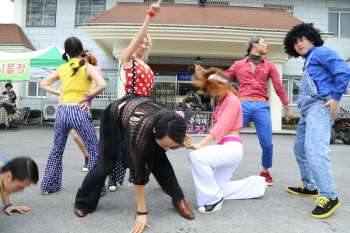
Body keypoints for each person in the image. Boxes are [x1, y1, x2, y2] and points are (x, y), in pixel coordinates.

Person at [74, 96, 195, 233]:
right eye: (166, 145)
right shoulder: (138, 130)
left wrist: (178, 145)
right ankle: (83, 202)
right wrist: (142, 213)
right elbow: (138, 173)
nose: (168, 149)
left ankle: (178, 199)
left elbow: (169, 145)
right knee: (105, 165)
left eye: (170, 146)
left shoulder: (173, 124)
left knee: (160, 157)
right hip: (114, 118)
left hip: (143, 115)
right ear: (154, 131)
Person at [195, 35, 293, 185]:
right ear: (254, 44)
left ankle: (265, 172)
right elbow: (224, 77)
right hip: (243, 104)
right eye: (264, 42)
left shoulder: (270, 66)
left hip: (261, 105)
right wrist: (205, 72)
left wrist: (286, 107)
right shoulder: (239, 64)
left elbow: (278, 87)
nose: (266, 45)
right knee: (225, 132)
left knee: (267, 143)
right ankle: (217, 165)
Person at [283, 23, 350, 219]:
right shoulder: (307, 61)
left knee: (315, 149)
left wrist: (336, 98)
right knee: (300, 149)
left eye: (301, 39)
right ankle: (310, 186)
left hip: (320, 107)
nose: (299, 44)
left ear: (311, 39)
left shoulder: (320, 52)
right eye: (295, 43)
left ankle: (329, 196)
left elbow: (344, 71)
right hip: (307, 112)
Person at [187, 67, 266, 214]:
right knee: (219, 188)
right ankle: (257, 185)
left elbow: (220, 127)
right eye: (210, 90)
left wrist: (200, 144)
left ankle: (212, 200)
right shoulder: (224, 100)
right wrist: (205, 72)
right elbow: (217, 78)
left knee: (196, 156)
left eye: (216, 89)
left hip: (231, 147)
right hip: (226, 147)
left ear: (225, 85)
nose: (213, 93)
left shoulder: (232, 101)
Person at [39, 37, 107, 195]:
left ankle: (49, 185)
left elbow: (43, 84)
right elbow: (102, 85)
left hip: (62, 111)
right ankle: (97, 187)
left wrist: (59, 93)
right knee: (93, 148)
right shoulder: (88, 67)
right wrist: (88, 98)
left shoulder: (62, 68)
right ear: (81, 50)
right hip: (79, 110)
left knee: (57, 148)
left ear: (67, 53)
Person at [107, 0, 160, 192]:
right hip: (130, 104)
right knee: (120, 143)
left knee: (150, 144)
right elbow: (138, 37)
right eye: (141, 42)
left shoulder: (146, 65)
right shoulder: (128, 59)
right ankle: (113, 179)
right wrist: (150, 16)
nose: (144, 45)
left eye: (147, 44)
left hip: (146, 105)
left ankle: (151, 175)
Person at [70, 49, 98, 172]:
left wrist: (87, 98)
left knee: (85, 136)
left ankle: (93, 159)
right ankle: (88, 157)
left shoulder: (91, 72)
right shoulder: (75, 72)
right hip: (71, 106)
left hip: (83, 107)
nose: (81, 63)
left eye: (84, 61)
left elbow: (93, 88)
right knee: (76, 136)